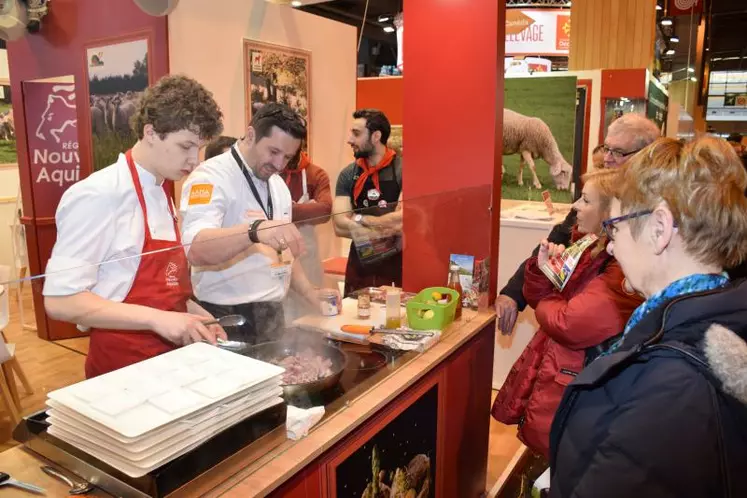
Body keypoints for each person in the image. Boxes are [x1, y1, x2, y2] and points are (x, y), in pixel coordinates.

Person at [549, 137, 747, 498]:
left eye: (616, 226)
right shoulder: (715, 322)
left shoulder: (672, 383)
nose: (610, 244)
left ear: (659, 229)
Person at [43, 75, 226, 379]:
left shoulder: (162, 191)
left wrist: (196, 316)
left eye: (201, 148)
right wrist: (158, 320)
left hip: (169, 364)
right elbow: (61, 301)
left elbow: (162, 290)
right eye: (186, 146)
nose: (195, 161)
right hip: (123, 368)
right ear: (150, 132)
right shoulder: (99, 194)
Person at [491, 168, 641, 458]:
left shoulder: (618, 264)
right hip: (556, 368)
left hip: (575, 378)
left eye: (585, 200)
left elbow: (568, 322)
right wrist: (542, 268)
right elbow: (538, 295)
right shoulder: (584, 244)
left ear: (611, 211)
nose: (574, 207)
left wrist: (549, 299)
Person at [496, 114, 660, 335]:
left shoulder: (654, 211)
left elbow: (576, 321)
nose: (608, 158)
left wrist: (548, 303)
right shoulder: (598, 196)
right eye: (606, 148)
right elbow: (558, 237)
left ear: (645, 156)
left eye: (618, 152)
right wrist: (513, 292)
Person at [180, 103, 329, 344]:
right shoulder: (210, 177)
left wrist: (312, 294)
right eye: (273, 152)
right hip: (225, 316)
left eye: (288, 157)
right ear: (251, 135)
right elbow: (196, 248)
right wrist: (254, 230)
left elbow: (285, 254)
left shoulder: (277, 184)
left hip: (272, 313)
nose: (280, 164)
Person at [333, 109, 403, 296]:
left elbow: (403, 222)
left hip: (396, 265)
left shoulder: (403, 170)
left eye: (356, 134)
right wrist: (387, 227)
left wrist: (356, 219)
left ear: (376, 136)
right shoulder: (348, 174)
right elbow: (339, 225)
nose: (349, 140)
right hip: (359, 266)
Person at [280, 143, 333, 320]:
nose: (283, 158)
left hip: (308, 260)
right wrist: (307, 209)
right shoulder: (270, 173)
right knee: (282, 319)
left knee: (310, 319)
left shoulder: (316, 174)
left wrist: (284, 211)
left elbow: (325, 211)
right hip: (275, 261)